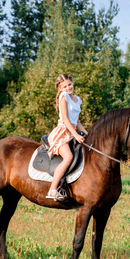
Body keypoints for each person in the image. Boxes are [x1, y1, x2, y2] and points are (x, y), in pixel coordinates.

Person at [46, 73, 88, 201]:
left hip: (72, 132)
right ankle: (52, 190)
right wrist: (75, 134)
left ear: (72, 83)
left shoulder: (77, 99)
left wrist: (87, 134)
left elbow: (77, 122)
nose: (68, 88)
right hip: (62, 133)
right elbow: (65, 119)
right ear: (60, 89)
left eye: (69, 84)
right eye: (64, 86)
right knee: (68, 157)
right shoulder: (64, 97)